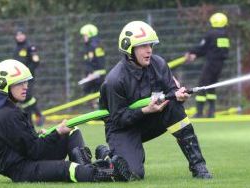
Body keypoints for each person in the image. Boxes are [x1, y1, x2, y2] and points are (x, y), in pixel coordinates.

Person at [98, 21, 212, 180]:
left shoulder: (159, 64)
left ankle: (198, 166)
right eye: (143, 46)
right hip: (121, 129)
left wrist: (178, 95)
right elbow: (117, 119)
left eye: (150, 45)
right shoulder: (114, 80)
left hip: (148, 119)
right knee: (133, 174)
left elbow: (171, 91)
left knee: (174, 107)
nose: (149, 50)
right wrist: (145, 110)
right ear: (129, 49)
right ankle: (106, 156)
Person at [0, 59, 132, 183]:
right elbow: (35, 151)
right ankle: (110, 172)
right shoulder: (8, 115)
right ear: (3, 85)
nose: (25, 86)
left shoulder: (7, 112)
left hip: (27, 158)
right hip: (22, 168)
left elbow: (24, 142)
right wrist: (56, 132)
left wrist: (43, 135)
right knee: (67, 168)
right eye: (19, 83)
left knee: (71, 131)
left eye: (25, 82)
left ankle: (89, 166)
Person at [185, 12, 230, 118]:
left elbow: (203, 47)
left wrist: (192, 52)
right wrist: (196, 54)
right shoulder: (225, 35)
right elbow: (211, 50)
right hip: (220, 65)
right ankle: (211, 112)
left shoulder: (211, 34)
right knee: (211, 87)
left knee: (201, 85)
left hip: (211, 63)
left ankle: (199, 112)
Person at [13, 29, 45, 126]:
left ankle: (38, 115)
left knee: (26, 95)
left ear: (25, 35)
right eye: (17, 35)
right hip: (18, 78)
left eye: (21, 34)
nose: (20, 37)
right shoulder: (16, 49)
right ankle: (30, 121)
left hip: (28, 77)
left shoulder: (30, 47)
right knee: (23, 98)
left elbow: (36, 61)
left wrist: (26, 72)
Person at [79, 24, 106, 108]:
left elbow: (92, 62)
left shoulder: (92, 46)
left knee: (86, 90)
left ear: (90, 34)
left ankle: (96, 107)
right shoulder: (97, 44)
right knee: (97, 93)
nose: (84, 37)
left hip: (95, 75)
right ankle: (97, 107)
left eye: (85, 35)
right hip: (99, 74)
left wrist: (91, 73)